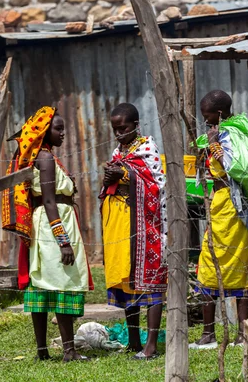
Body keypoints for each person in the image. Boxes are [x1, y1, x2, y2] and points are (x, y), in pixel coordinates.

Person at [2, 106, 93, 362]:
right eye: (58, 128)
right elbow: (50, 201)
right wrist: (63, 241)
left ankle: (43, 351)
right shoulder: (46, 159)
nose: (63, 133)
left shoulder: (44, 157)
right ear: (44, 131)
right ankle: (69, 351)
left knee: (41, 284)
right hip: (54, 224)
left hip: (46, 223)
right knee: (62, 280)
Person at [190, 90, 248, 349]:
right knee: (234, 266)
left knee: (212, 266)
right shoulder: (241, 130)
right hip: (228, 207)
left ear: (218, 113)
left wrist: (216, 146)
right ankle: (239, 335)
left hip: (232, 207)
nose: (205, 122)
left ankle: (212, 335)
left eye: (207, 117)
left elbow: (236, 168)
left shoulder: (230, 134)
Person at [100, 103, 167, 360]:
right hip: (121, 223)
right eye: (115, 129)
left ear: (136, 125)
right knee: (128, 282)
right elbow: (116, 181)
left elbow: (156, 184)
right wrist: (110, 179)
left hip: (147, 225)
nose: (118, 133)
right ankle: (134, 341)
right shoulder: (119, 151)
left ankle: (151, 345)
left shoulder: (147, 148)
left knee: (150, 283)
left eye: (123, 128)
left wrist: (126, 174)